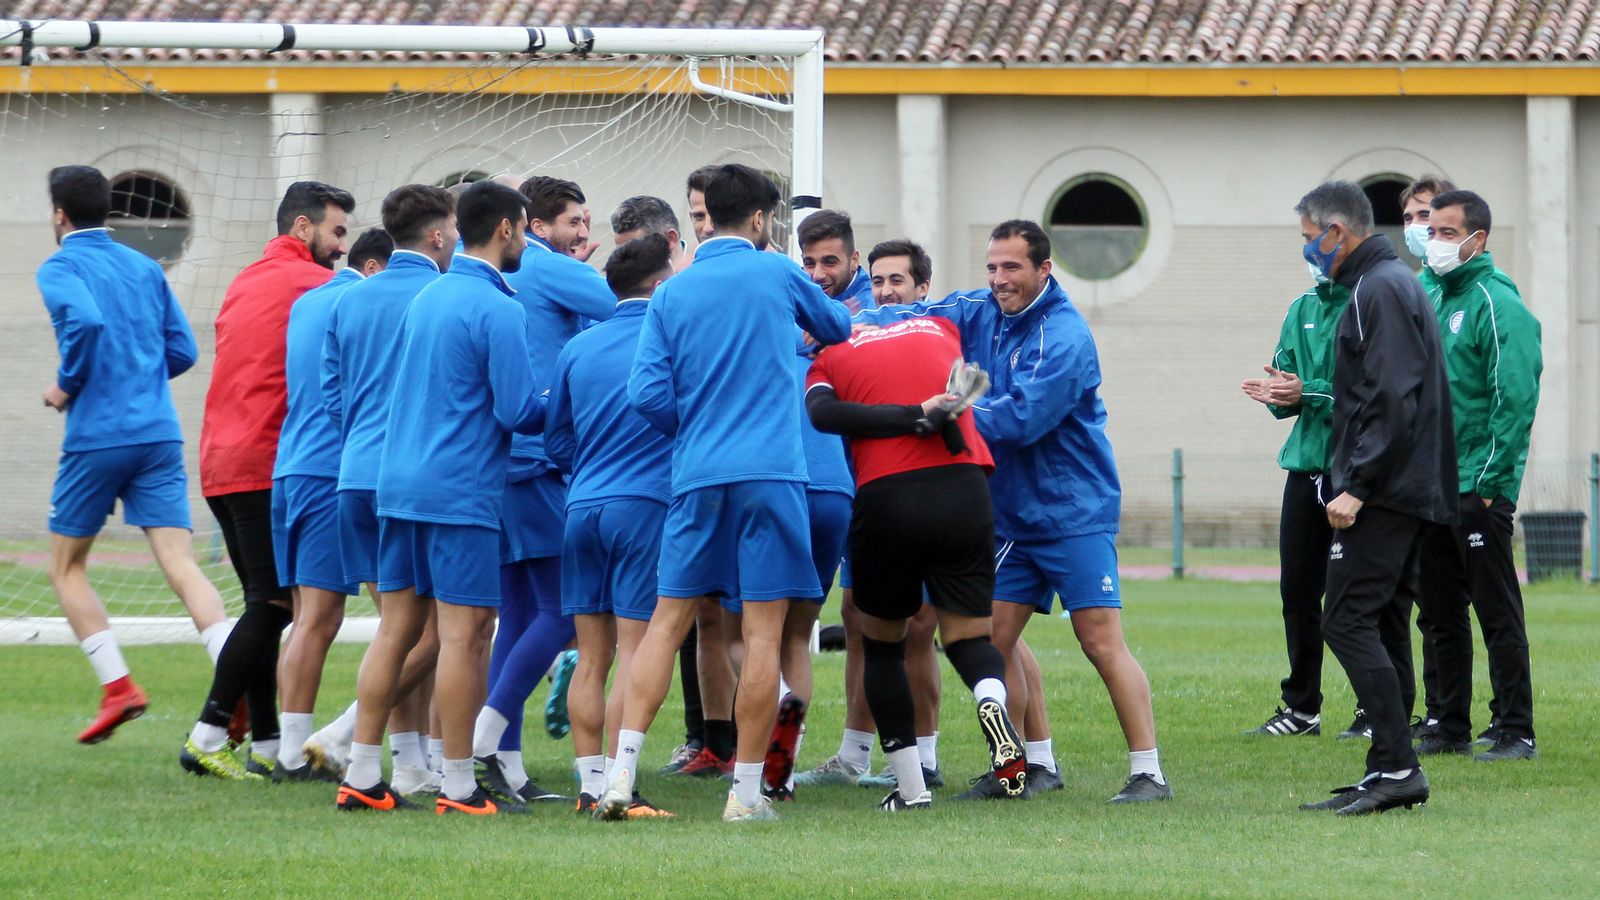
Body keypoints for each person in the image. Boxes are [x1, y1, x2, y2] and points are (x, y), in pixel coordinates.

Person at [854, 220, 1168, 803]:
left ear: (1044, 270)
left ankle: (1149, 772)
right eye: (993, 267)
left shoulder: (1065, 336)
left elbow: (1022, 418)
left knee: (1099, 640)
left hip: (1073, 511)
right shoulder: (979, 308)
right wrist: (849, 325)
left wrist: (941, 414)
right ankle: (1025, 768)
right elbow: (917, 315)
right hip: (1010, 517)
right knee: (988, 642)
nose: (999, 280)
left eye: (1012, 268)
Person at [598, 164, 851, 823]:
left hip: (698, 473)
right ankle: (746, 792)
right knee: (763, 633)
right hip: (772, 472)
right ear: (763, 220)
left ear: (707, 213)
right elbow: (838, 326)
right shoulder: (774, 271)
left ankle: (618, 776)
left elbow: (645, 394)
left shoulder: (672, 292)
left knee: (667, 622)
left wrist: (699, 426)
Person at [336, 180, 545, 816]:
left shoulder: (428, 296)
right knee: (467, 633)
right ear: (507, 229)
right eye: (527, 230)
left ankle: (362, 771)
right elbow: (517, 410)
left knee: (396, 626)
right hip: (457, 491)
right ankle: (458, 783)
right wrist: (563, 397)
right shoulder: (500, 307)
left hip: (395, 483)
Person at [37, 165, 230, 745]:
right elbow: (184, 350)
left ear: (59, 214)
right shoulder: (145, 267)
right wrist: (141, 376)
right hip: (157, 433)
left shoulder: (60, 266)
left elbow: (88, 323)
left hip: (98, 436)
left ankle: (118, 686)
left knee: (66, 567)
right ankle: (236, 683)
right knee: (181, 563)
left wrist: (69, 383)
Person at [807, 317, 1028, 810]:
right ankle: (989, 696)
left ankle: (911, 790)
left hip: (888, 495)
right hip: (966, 488)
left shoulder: (830, 355)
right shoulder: (940, 328)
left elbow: (823, 415)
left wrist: (906, 417)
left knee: (884, 647)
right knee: (971, 638)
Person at [1294, 180, 1456, 816]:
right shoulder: (1386, 283)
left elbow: (1391, 396)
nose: (1309, 252)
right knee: (1375, 617)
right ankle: (1385, 765)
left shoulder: (1378, 288)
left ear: (1338, 232)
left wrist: (1356, 486)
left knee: (1347, 619)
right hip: (1401, 483)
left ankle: (1397, 766)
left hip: (1385, 487)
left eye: (1311, 240)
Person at [182, 180, 353, 780]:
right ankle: (207, 732)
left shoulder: (244, 280)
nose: (342, 248)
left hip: (218, 463)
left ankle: (265, 741)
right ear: (302, 228)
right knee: (275, 603)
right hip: (265, 459)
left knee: (267, 601)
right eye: (336, 232)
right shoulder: (317, 287)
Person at [306, 184, 458, 784]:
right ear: (440, 233)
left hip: (355, 477)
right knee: (446, 629)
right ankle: (348, 736)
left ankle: (409, 765)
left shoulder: (350, 300)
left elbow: (333, 399)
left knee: (400, 626)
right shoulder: (443, 294)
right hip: (416, 480)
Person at [470, 175, 615, 807]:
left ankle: (506, 762)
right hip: (536, 459)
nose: (584, 235)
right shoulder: (544, 265)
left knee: (520, 617)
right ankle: (483, 737)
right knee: (562, 610)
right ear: (532, 226)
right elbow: (629, 303)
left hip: (498, 464)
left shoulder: (493, 279)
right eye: (575, 223)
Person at [800, 238, 944, 790]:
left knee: (921, 628)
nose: (887, 292)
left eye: (897, 282)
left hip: (922, 495)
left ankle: (925, 758)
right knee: (860, 619)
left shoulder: (933, 334)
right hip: (866, 496)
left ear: (922, 287)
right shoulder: (846, 331)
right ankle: (855, 754)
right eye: (881, 283)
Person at [546, 233, 679, 818]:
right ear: (658, 284)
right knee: (634, 649)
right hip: (643, 507)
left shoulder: (579, 346)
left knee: (591, 654)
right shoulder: (670, 341)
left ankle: (588, 784)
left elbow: (555, 438)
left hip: (581, 508)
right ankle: (622, 785)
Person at [1414, 189, 1542, 762]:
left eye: (1444, 231)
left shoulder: (1497, 302)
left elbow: (1512, 399)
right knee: (1439, 612)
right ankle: (1448, 722)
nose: (1431, 240)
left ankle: (1515, 728)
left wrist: (1489, 482)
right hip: (1432, 486)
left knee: (1495, 610)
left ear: (1477, 239)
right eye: (1428, 229)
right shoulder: (1432, 296)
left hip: (1477, 487)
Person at [759, 210, 880, 798]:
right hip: (834, 489)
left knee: (751, 629)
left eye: (829, 261)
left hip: (787, 481)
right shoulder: (835, 321)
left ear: (855, 262)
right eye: (807, 263)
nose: (817, 273)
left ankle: (765, 752)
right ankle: (786, 757)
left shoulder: (860, 322)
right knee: (799, 630)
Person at [270, 228, 392, 781]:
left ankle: (291, 749)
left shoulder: (310, 301)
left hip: (292, 467)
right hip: (330, 469)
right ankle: (304, 752)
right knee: (393, 620)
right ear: (373, 269)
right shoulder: (357, 301)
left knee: (306, 617)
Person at [612, 196, 707, 773]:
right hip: (668, 492)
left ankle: (608, 775)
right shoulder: (676, 311)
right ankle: (758, 779)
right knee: (766, 630)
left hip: (599, 500)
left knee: (636, 636)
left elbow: (557, 430)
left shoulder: (589, 340)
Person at [1241, 242, 1350, 738]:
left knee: (1363, 599)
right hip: (1304, 468)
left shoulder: (1369, 303)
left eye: (1319, 243)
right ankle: (1302, 709)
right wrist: (1279, 394)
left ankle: (1378, 710)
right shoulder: (1300, 308)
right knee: (1297, 593)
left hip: (1356, 470)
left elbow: (1370, 390)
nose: (1312, 255)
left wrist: (1307, 391)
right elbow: (1286, 382)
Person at [1398, 173, 1458, 740]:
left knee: (1460, 605)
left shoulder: (1482, 296)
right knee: (1428, 603)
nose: (1420, 231)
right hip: (1421, 472)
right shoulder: (1418, 286)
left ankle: (1510, 724)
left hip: (1461, 475)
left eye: (1431, 220)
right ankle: (1438, 714)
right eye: (1414, 219)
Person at [611, 195, 690, 271]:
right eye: (619, 252)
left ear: (670, 239)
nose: (624, 262)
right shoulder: (621, 281)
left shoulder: (699, 278)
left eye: (634, 252)